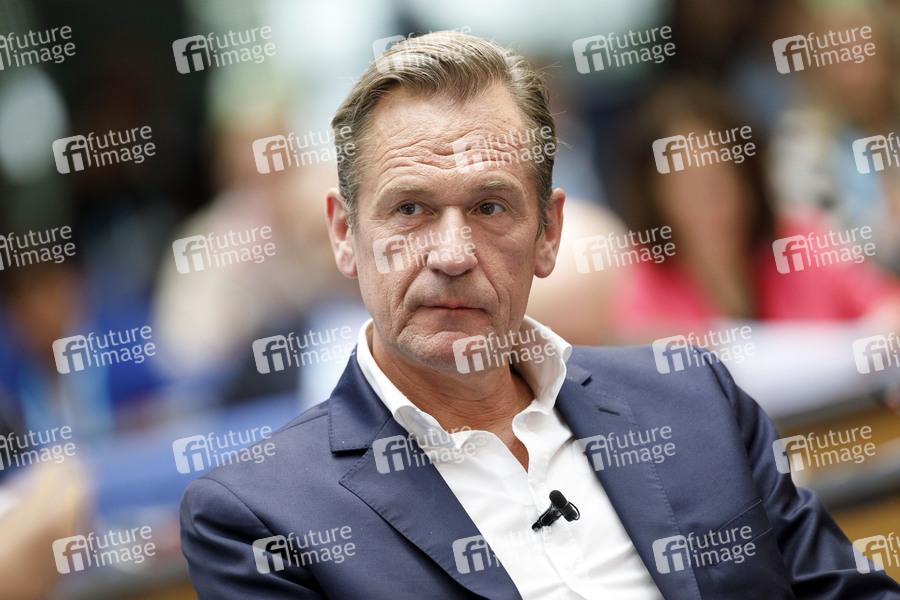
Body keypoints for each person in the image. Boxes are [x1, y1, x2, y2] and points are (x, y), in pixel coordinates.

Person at [180, 31, 900, 599]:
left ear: (549, 233)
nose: (452, 254)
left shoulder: (695, 401)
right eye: (411, 208)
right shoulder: (260, 519)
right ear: (344, 233)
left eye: (491, 207)